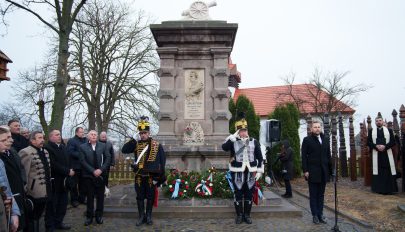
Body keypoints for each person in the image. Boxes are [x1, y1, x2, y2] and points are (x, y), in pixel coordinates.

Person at [121, 116, 166, 227]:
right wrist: (133, 139)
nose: (143, 135)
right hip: (139, 175)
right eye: (141, 133)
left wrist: (160, 178)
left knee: (150, 196)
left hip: (151, 176)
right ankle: (141, 216)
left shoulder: (156, 145)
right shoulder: (136, 144)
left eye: (145, 133)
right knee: (140, 196)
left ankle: (149, 216)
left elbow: (162, 160)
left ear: (149, 133)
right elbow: (124, 150)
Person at [222, 112, 264, 224]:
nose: (243, 132)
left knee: (249, 193)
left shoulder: (254, 141)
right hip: (237, 171)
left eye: (245, 130)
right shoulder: (233, 141)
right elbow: (224, 148)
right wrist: (230, 139)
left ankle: (247, 215)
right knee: (238, 193)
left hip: (251, 172)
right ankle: (239, 215)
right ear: (237, 131)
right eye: (241, 131)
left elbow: (260, 157)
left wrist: (259, 170)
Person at [19, 131, 52, 232]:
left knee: (39, 215)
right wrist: (26, 191)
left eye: (43, 137)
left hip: (45, 189)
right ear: (32, 140)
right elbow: (24, 174)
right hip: (33, 192)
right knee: (31, 218)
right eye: (39, 138)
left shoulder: (45, 151)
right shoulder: (25, 152)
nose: (42, 140)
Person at [301, 120, 332, 224]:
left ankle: (320, 214)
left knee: (321, 195)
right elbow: (304, 157)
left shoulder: (326, 139)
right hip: (312, 172)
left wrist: (331, 171)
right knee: (313, 194)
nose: (317, 129)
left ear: (321, 128)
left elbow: (328, 156)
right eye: (315, 127)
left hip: (323, 171)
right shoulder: (307, 140)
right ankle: (314, 215)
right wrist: (305, 170)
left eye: (319, 127)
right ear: (311, 129)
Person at [79, 130, 111, 226]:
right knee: (90, 197)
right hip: (88, 176)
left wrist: (101, 170)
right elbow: (82, 161)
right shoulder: (82, 147)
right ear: (88, 137)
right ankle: (89, 217)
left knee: (100, 197)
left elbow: (108, 158)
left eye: (95, 135)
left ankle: (99, 216)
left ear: (97, 136)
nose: (93, 136)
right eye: (91, 134)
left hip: (101, 176)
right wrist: (93, 171)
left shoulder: (103, 146)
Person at [44, 130, 73, 230]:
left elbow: (68, 161)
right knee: (52, 205)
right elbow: (53, 164)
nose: (59, 136)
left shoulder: (63, 147)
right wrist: (67, 171)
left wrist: (70, 169)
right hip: (54, 182)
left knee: (63, 204)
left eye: (60, 134)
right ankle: (50, 226)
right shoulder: (47, 148)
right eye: (57, 135)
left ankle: (59, 222)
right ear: (51, 137)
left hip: (64, 182)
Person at [0, 126, 27, 231]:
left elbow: (6, 189)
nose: (9, 141)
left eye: (9, 138)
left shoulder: (9, 154)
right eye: (3, 140)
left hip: (12, 200)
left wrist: (13, 212)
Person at [367, 113, 398, 194]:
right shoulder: (371, 131)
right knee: (378, 171)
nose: (378, 122)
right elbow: (368, 142)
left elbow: (393, 142)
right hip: (376, 155)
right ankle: (378, 189)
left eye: (380, 120)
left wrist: (385, 147)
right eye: (376, 121)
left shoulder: (389, 130)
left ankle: (389, 189)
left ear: (382, 121)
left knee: (388, 171)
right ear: (375, 122)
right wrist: (376, 146)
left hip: (387, 154)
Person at [66, 127, 87, 207]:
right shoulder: (72, 141)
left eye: (83, 132)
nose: (82, 133)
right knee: (73, 185)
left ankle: (82, 198)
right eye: (81, 132)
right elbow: (70, 152)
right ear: (76, 133)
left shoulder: (85, 140)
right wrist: (82, 155)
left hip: (84, 166)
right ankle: (74, 200)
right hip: (75, 166)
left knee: (83, 184)